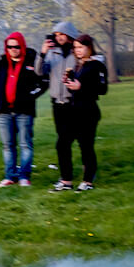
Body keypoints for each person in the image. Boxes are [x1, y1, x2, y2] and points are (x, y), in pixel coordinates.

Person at [53, 34, 108, 192]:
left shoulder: (97, 65)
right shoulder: (79, 65)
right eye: (75, 47)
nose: (77, 50)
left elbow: (102, 89)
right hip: (73, 111)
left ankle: (87, 182)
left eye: (80, 47)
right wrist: (69, 82)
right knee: (62, 144)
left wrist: (81, 87)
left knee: (86, 146)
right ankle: (66, 181)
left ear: (89, 47)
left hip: (88, 111)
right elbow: (77, 85)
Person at [0, 32, 45, 187]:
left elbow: (42, 82)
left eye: (16, 46)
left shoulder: (31, 62)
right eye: (9, 46)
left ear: (22, 46)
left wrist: (30, 96)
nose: (13, 49)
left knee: (25, 144)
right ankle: (10, 176)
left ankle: (24, 176)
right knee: (8, 145)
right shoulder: (2, 63)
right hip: (5, 112)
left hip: (24, 111)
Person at [40, 21, 80, 170]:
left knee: (69, 139)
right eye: (56, 35)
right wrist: (43, 53)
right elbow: (39, 72)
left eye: (62, 34)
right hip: (57, 103)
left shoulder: (77, 52)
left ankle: (75, 172)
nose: (59, 37)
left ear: (69, 35)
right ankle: (65, 170)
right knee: (62, 139)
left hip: (74, 102)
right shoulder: (52, 53)